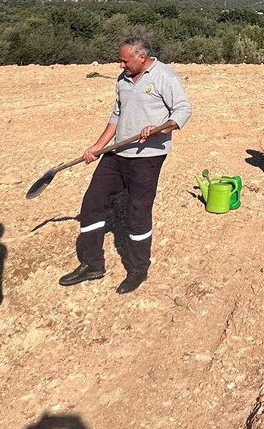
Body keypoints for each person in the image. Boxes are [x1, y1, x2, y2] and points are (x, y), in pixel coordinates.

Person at [61, 37, 192, 294]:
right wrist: (98, 146)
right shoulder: (122, 80)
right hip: (117, 152)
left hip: (148, 156)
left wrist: (158, 130)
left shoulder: (165, 76)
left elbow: (183, 110)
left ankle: (138, 269)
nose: (121, 65)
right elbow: (117, 114)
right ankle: (92, 264)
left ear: (141, 57)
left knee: (137, 212)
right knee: (92, 203)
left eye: (125, 60)